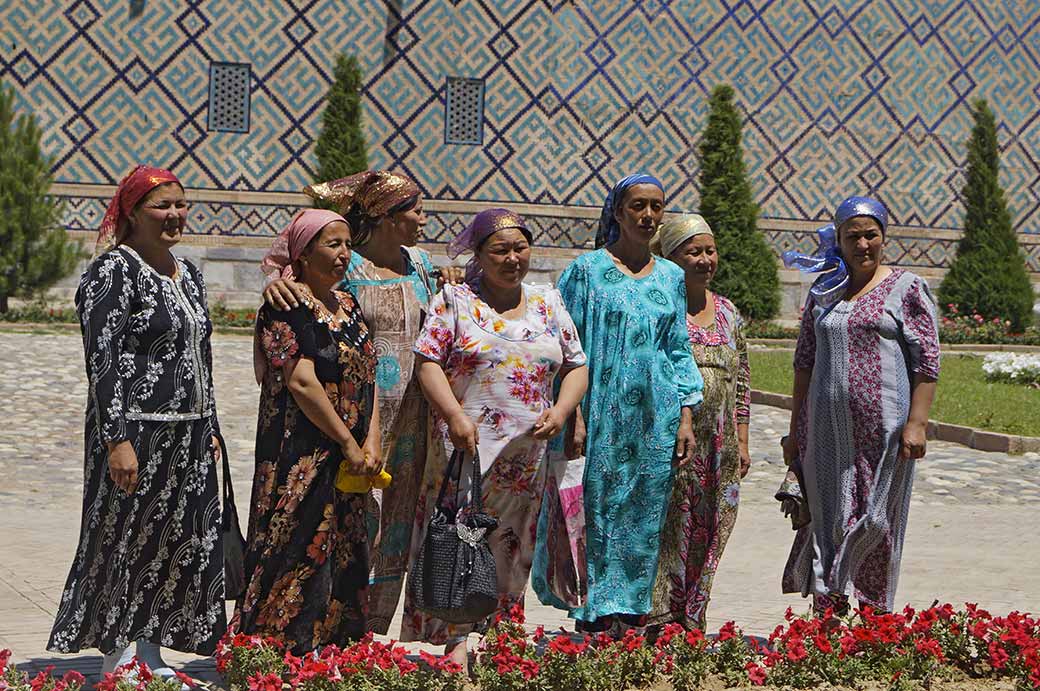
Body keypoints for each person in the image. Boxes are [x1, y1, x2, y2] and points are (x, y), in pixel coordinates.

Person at [262, 170, 462, 634]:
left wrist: (453, 275)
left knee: (398, 516)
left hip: (415, 418)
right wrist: (274, 283)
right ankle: (332, 625)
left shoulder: (423, 266)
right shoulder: (347, 267)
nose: (423, 219)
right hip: (361, 417)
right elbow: (295, 289)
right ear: (385, 217)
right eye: (414, 210)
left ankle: (371, 630)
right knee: (354, 519)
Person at [48, 165, 225, 678]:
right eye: (162, 206)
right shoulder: (113, 272)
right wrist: (116, 439)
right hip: (135, 430)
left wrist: (209, 425)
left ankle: (150, 648)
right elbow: (101, 360)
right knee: (123, 536)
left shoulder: (186, 272)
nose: (175, 215)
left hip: (188, 431)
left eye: (180, 204)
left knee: (172, 537)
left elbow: (202, 354)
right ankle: (117, 650)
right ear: (132, 212)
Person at [404, 208, 588, 666]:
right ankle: (457, 642)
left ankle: (499, 640)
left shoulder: (548, 302)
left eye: (520, 248)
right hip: (466, 450)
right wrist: (452, 414)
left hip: (526, 458)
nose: (512, 258)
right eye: (500, 250)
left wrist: (563, 410)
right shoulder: (456, 300)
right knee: (462, 540)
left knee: (512, 544)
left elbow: (576, 365)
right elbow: (427, 363)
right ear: (479, 255)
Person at [553, 175, 704, 635]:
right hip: (600, 412)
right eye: (638, 206)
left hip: (654, 417)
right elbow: (566, 344)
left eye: (657, 207)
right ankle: (594, 615)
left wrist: (685, 414)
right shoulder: (586, 271)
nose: (648, 216)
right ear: (618, 212)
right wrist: (572, 413)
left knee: (643, 512)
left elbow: (677, 347)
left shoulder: (672, 276)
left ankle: (632, 614)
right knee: (597, 508)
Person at [780, 196, 940, 616]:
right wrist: (796, 430)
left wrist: (917, 424)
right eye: (854, 236)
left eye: (871, 235)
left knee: (878, 521)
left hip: (884, 434)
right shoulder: (825, 291)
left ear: (884, 237)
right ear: (839, 239)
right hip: (825, 434)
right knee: (829, 518)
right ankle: (828, 617)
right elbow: (804, 363)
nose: (863, 244)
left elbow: (927, 360)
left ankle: (874, 622)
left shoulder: (905, 288)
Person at [237, 209, 380, 654]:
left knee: (345, 546)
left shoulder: (350, 306)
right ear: (302, 253)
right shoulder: (284, 306)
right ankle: (281, 651)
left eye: (347, 245)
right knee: (298, 544)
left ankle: (335, 649)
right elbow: (301, 382)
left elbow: (369, 377)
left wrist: (371, 442)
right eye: (331, 244)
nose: (343, 254)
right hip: (302, 454)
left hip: (351, 455)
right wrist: (345, 441)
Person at [647, 214, 751, 632]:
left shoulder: (727, 312)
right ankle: (658, 617)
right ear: (672, 258)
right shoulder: (660, 306)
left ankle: (693, 614)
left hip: (718, 449)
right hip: (671, 442)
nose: (705, 259)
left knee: (711, 529)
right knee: (669, 528)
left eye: (710, 250)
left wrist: (742, 440)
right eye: (694, 251)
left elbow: (741, 377)